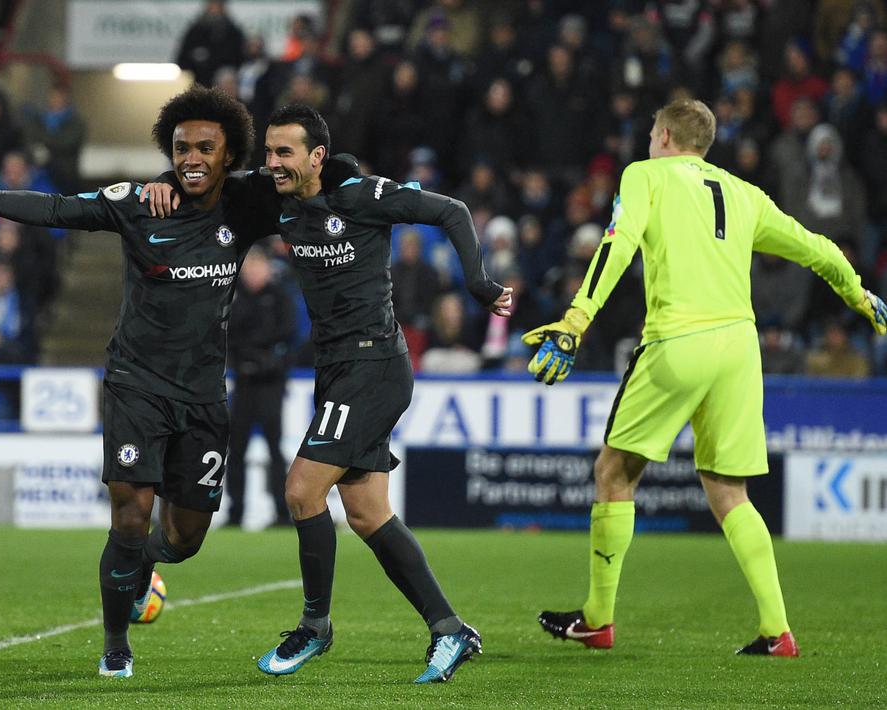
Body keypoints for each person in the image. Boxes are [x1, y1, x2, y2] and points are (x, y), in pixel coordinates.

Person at [146, 105, 512, 683]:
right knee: (368, 514)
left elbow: (452, 210)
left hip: (374, 365)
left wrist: (479, 283)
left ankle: (315, 625)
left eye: (284, 153)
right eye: (269, 152)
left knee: (301, 489)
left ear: (317, 156)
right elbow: (209, 180)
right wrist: (164, 182)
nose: (272, 163)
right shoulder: (275, 196)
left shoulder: (364, 196)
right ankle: (449, 629)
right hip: (337, 370)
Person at [523, 98, 887, 658]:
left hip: (678, 340)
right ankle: (777, 631)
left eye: (652, 134)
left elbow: (616, 244)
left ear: (666, 137)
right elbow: (816, 247)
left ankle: (597, 619)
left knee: (613, 472)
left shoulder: (644, 176)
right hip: (739, 350)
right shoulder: (743, 193)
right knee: (728, 489)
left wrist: (576, 320)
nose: (649, 143)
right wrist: (858, 294)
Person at [0, 86, 275, 679]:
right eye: (181, 149)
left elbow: (313, 181)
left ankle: (146, 566)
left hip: (203, 395)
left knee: (185, 538)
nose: (192, 158)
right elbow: (56, 210)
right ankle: (116, 643)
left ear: (230, 155)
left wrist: (342, 166)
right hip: (135, 383)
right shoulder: (140, 203)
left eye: (206, 148)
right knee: (129, 515)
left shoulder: (247, 203)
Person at [226, 244, 296, 528]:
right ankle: (235, 513)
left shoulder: (280, 296)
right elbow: (227, 336)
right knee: (236, 449)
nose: (253, 273)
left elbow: (289, 333)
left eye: (258, 267)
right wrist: (246, 358)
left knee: (274, 449)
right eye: (249, 268)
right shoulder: (234, 297)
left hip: (270, 383)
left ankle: (282, 513)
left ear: (267, 268)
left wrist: (261, 357)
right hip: (243, 383)